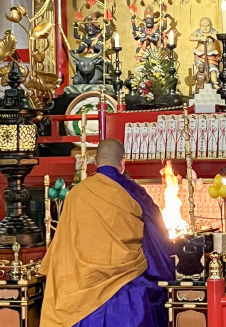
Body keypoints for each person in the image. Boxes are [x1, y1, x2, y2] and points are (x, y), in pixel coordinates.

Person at [39, 138, 173, 327]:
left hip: (78, 286)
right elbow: (157, 237)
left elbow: (62, 245)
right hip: (124, 280)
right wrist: (169, 268)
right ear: (123, 162)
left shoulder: (76, 194)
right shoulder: (133, 192)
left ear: (95, 161)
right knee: (150, 292)